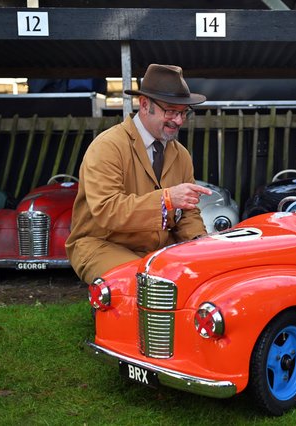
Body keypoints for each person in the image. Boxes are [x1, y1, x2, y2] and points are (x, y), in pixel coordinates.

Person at [66, 64, 212, 283]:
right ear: (144, 105)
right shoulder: (107, 146)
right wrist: (166, 200)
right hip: (102, 244)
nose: (179, 120)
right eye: (171, 111)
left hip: (156, 249)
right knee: (140, 283)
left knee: (205, 276)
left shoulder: (181, 154)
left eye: (183, 113)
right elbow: (107, 211)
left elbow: (188, 214)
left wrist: (202, 244)